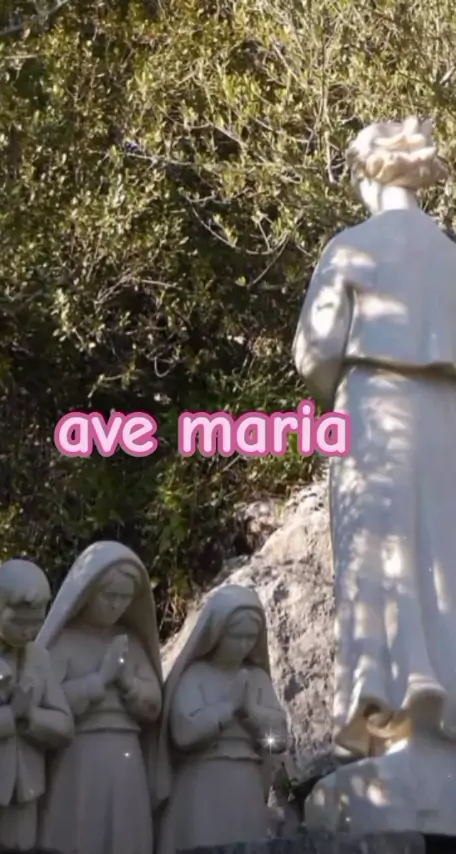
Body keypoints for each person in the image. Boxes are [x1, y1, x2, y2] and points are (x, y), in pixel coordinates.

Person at [294, 116, 456, 832]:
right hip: (445, 417)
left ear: (367, 176)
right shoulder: (451, 256)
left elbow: (313, 352)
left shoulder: (352, 247)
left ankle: (389, 713)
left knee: (380, 560)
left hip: (373, 409)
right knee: (441, 561)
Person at [37, 541, 162, 854]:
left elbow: (154, 704)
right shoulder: (64, 642)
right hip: (79, 754)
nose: (116, 605)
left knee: (125, 834)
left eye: (124, 597)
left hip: (126, 755)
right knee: (79, 831)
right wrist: (99, 680)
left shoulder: (131, 643)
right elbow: (46, 702)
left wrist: (129, 684)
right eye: (109, 596)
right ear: (88, 591)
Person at [155, 584, 287, 854]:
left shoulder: (257, 679)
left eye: (250, 638)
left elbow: (278, 739)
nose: (243, 645)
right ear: (217, 632)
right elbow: (183, 733)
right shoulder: (194, 676)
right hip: (203, 781)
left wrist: (253, 714)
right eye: (236, 637)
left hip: (245, 783)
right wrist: (228, 708)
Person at [0, 559, 73, 849]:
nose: (28, 631)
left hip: (25, 794)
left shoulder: (39, 658)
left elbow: (65, 726)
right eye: (18, 622)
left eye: (36, 623)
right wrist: (10, 715)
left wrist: (31, 717)